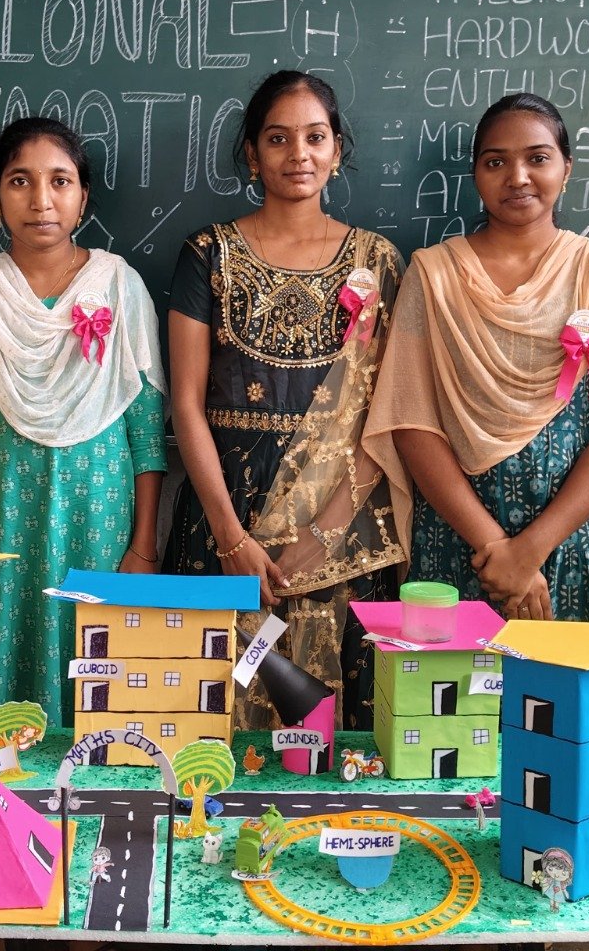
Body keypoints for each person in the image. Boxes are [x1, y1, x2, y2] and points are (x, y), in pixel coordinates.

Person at [164, 71, 405, 731]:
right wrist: (231, 538)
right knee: (214, 719)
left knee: (332, 732)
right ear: (252, 154)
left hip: (343, 530)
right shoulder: (208, 255)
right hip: (223, 523)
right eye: (278, 139)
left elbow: (387, 414)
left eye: (315, 137)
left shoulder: (379, 262)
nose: (298, 153)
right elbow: (186, 403)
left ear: (336, 150)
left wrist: (322, 534)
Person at [365, 93, 589, 632]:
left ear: (566, 168)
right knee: (454, 688)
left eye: (538, 158)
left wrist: (530, 550)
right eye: (496, 162)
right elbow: (410, 421)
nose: (518, 177)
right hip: (462, 547)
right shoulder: (434, 275)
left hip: (574, 543)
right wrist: (495, 546)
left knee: (567, 686)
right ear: (476, 175)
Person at [0, 117, 166, 726]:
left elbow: (146, 432)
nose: (40, 200)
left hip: (98, 520)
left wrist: (144, 544)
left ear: (83, 196)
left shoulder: (120, 287)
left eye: (60, 181)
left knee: (97, 683)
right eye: (19, 181)